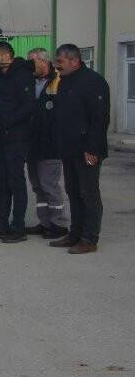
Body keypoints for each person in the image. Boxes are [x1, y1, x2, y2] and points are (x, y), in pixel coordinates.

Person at [49, 44, 110, 254]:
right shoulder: (65, 82)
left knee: (88, 193)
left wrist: (92, 148)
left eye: (61, 62)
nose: (57, 66)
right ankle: (75, 234)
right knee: (73, 191)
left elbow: (99, 119)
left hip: (87, 149)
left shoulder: (93, 82)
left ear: (74, 61)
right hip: (69, 148)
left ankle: (89, 238)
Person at [0, 41, 36, 243]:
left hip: (17, 137)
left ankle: (18, 227)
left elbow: (28, 107)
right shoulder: (3, 76)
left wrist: (9, 123)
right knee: (1, 182)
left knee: (15, 181)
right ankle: (1, 223)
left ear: (7, 56)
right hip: (3, 137)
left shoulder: (22, 74)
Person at [24, 48, 69, 239]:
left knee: (49, 185)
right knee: (37, 186)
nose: (29, 66)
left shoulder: (58, 82)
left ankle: (59, 224)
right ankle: (44, 222)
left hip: (50, 145)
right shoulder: (31, 81)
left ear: (43, 61)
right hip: (32, 144)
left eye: (32, 61)